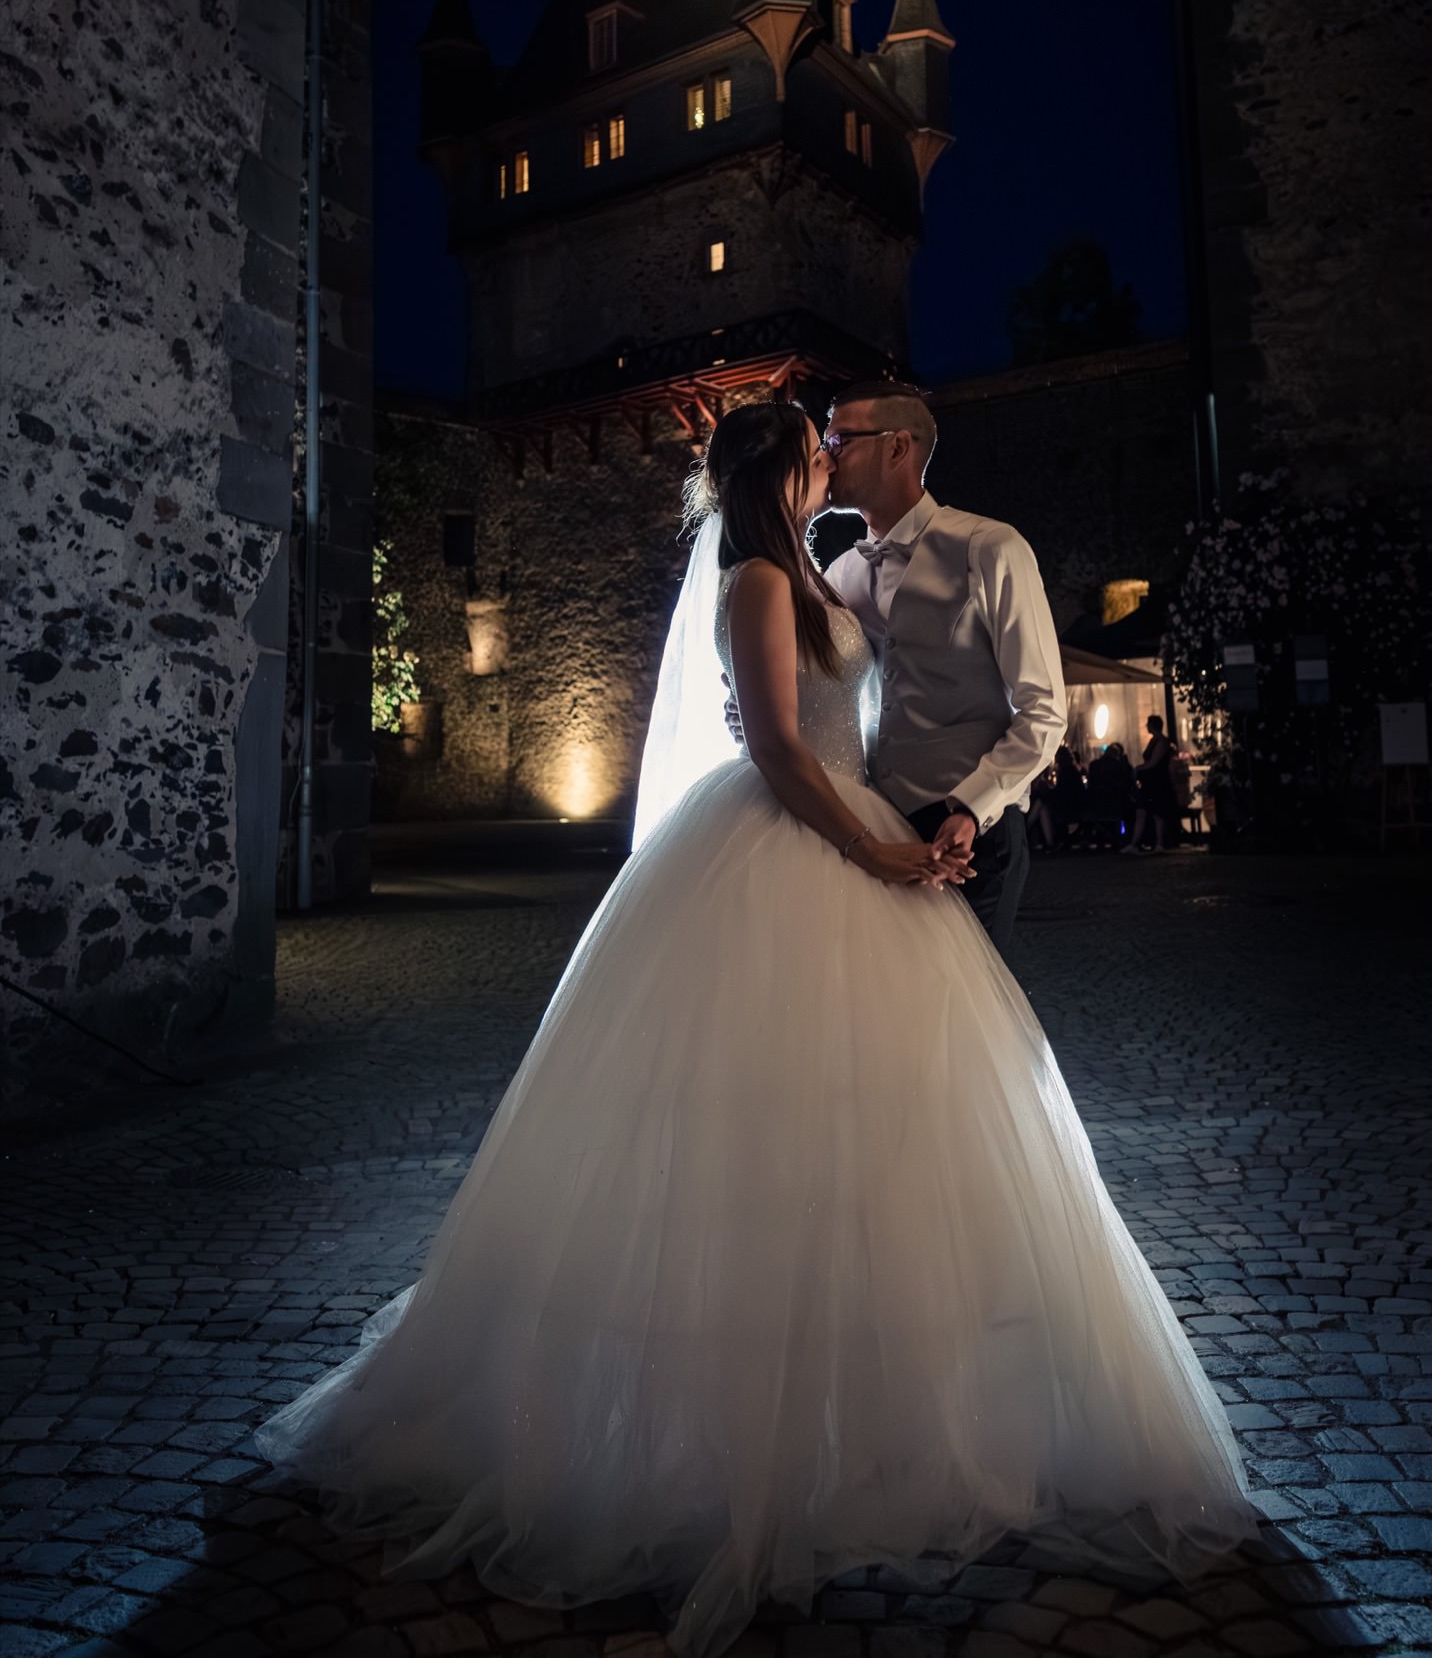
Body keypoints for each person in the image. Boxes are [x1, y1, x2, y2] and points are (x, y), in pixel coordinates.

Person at [255, 402, 1255, 1658]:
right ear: (786, 468)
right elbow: (781, 746)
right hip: (806, 841)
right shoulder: (765, 577)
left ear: (902, 448)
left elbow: (969, 706)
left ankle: (890, 1382)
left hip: (880, 830)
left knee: (898, 1112)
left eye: (851, 434)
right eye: (815, 441)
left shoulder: (848, 564)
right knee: (769, 1111)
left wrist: (923, 825)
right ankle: (765, 1412)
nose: (834, 450)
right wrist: (869, 846)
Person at [820, 380, 1067, 947]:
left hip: (972, 834)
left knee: (969, 1011)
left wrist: (972, 808)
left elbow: (1045, 709)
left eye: (839, 438)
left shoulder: (991, 548)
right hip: (876, 833)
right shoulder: (837, 576)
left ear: (897, 447)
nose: (826, 454)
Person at [1127, 715, 1182, 855]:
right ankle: (1139, 843)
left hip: (1157, 782)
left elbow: (1154, 762)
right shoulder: (1156, 741)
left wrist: (1137, 769)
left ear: (1153, 726)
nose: (1146, 726)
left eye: (1148, 724)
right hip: (1152, 781)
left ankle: (1156, 843)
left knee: (1155, 812)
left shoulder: (1161, 742)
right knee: (1145, 811)